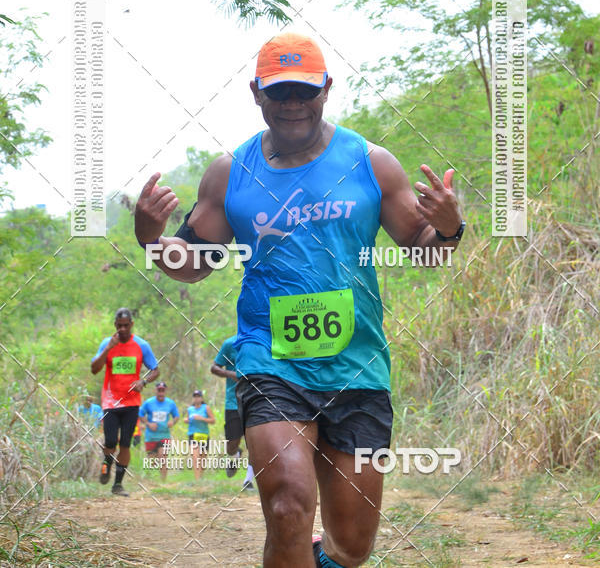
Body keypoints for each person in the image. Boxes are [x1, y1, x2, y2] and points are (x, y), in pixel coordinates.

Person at [134, 32, 465, 567]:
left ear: (326, 89)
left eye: (305, 90)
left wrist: (448, 229)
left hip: (356, 367)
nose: (292, 102)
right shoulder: (230, 172)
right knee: (287, 506)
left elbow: (425, 250)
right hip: (271, 361)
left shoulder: (371, 163)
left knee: (352, 547)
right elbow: (193, 263)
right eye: (279, 90)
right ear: (256, 93)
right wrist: (152, 239)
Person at [91, 307, 159, 496]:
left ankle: (117, 485)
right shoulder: (106, 343)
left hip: (132, 402)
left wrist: (143, 381)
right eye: (119, 326)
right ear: (115, 325)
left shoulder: (141, 345)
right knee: (110, 441)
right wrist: (108, 349)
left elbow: (155, 370)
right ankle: (107, 462)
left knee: (125, 444)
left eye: (126, 326)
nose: (122, 329)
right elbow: (94, 369)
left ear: (131, 324)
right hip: (110, 402)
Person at [211, 335, 255, 489]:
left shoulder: (261, 340)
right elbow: (214, 368)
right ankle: (235, 455)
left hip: (256, 401)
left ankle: (248, 480)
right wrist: (231, 374)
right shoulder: (230, 343)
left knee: (255, 442)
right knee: (231, 444)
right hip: (233, 401)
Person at [139, 381, 179, 481]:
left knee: (163, 457)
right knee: (152, 461)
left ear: (165, 391)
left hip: (164, 435)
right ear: (155, 391)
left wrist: (172, 422)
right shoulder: (148, 402)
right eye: (159, 390)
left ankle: (163, 482)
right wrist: (148, 424)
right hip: (151, 436)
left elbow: (176, 416)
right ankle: (150, 481)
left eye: (162, 391)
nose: (161, 393)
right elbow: (140, 414)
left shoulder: (170, 403)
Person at [183, 389, 215, 480]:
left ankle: (201, 477)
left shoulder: (206, 408)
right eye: (195, 397)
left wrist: (202, 418)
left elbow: (213, 420)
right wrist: (186, 420)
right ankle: (197, 480)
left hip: (204, 435)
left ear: (201, 398)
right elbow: (187, 419)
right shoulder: (190, 409)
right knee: (195, 457)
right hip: (193, 435)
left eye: (198, 396)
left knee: (203, 459)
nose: (196, 398)